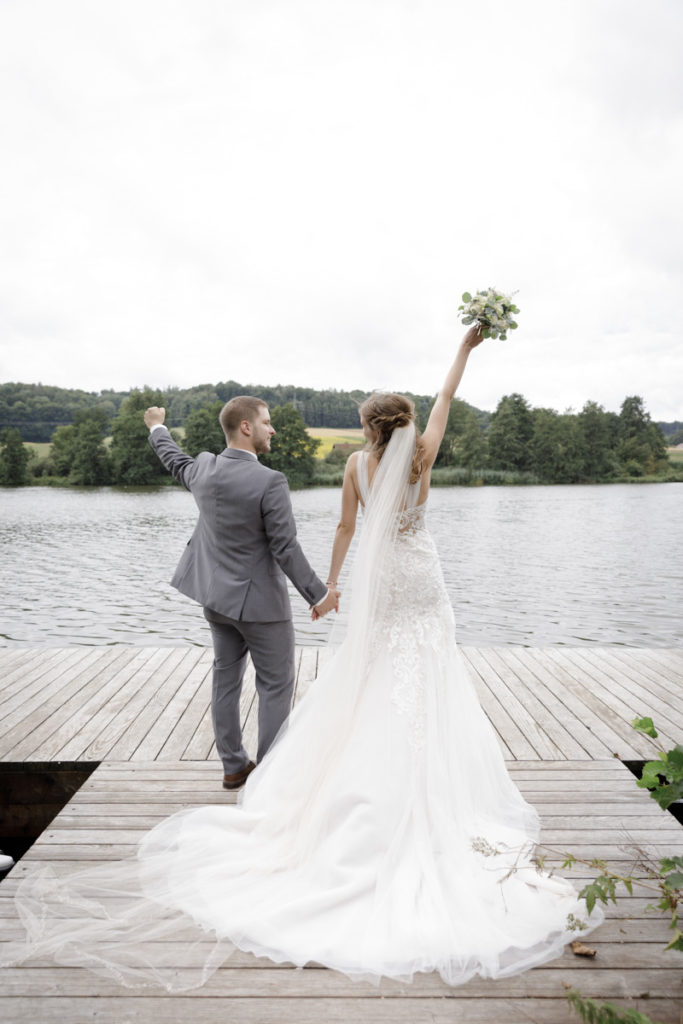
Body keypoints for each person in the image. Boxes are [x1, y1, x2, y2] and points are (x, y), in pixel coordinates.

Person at [3, 328, 603, 989]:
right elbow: (447, 393)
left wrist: (337, 586)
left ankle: (260, 772)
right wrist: (467, 344)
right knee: (410, 676)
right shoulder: (423, 456)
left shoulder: (352, 466)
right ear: (404, 426)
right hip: (420, 582)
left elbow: (344, 527)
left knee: (337, 674)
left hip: (359, 591)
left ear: (367, 429)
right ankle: (401, 779)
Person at [143, 396, 340, 789]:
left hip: (216, 601)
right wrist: (319, 596)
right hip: (263, 608)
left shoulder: (203, 469)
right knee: (275, 686)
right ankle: (269, 775)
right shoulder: (270, 481)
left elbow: (174, 459)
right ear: (246, 427)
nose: (273, 429)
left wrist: (156, 428)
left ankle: (234, 766)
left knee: (225, 680)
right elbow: (285, 548)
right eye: (267, 422)